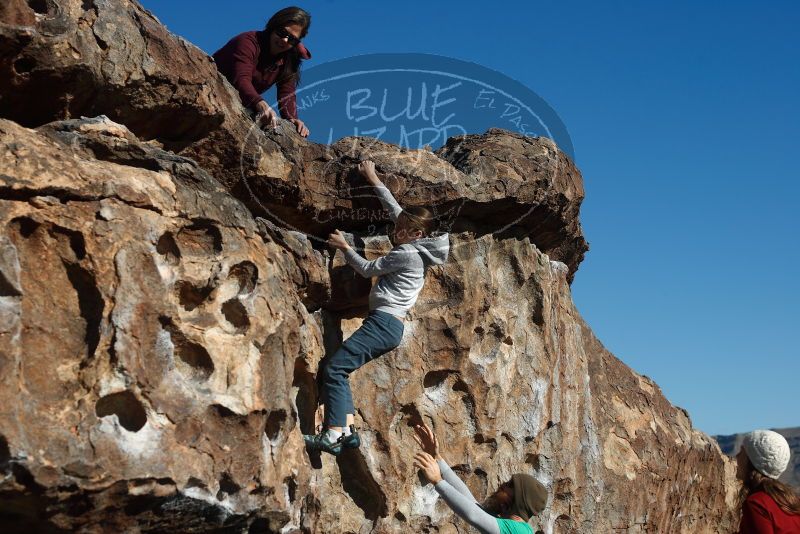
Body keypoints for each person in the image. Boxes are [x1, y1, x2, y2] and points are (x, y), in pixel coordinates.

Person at [303, 160, 450, 455]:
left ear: (416, 234)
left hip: (383, 323)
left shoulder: (408, 253)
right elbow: (394, 210)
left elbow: (369, 270)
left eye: (404, 229)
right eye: (400, 227)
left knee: (334, 369)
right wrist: (373, 177)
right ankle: (346, 430)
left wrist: (345, 247)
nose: (397, 231)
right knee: (339, 370)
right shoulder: (416, 245)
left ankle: (333, 435)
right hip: (388, 325)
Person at [412, 423, 547, 534]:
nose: (503, 485)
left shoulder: (517, 531)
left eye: (510, 485)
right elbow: (472, 504)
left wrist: (437, 481)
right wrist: (438, 459)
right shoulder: (512, 526)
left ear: (520, 500)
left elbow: (473, 515)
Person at [213, 7, 311, 137]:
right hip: (213, 92)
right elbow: (241, 78)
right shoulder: (247, 42)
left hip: (240, 104)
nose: (285, 40)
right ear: (273, 26)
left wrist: (292, 118)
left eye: (292, 39)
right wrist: (258, 102)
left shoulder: (290, 58)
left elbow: (286, 92)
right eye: (282, 32)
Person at [735, 430, 800, 533]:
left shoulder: (757, 503)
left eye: (741, 453)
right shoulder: (791, 502)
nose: (736, 457)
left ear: (751, 462)